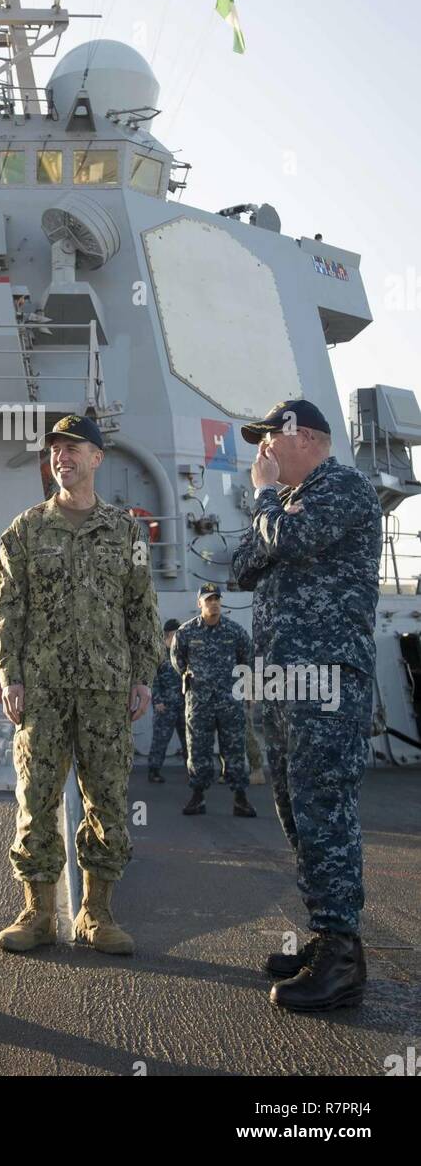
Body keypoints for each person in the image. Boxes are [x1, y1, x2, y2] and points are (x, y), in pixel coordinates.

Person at [0, 414, 163, 956]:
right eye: (55, 450)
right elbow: (5, 609)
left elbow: (141, 606)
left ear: (96, 458)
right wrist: (9, 676)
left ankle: (97, 912)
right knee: (35, 800)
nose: (61, 456)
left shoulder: (127, 532)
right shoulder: (23, 531)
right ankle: (37, 912)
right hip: (41, 690)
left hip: (108, 690)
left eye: (73, 448)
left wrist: (143, 676)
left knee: (108, 800)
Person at [231, 398, 382, 1013]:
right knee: (296, 808)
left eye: (269, 438)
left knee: (324, 807)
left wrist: (266, 498)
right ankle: (325, 936)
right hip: (282, 681)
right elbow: (242, 565)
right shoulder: (290, 503)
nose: (261, 452)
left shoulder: (342, 487)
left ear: (306, 437)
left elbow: (286, 544)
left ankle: (341, 956)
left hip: (326, 679)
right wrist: (272, 512)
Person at [171, 585, 257, 817]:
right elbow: (176, 659)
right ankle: (198, 796)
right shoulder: (186, 632)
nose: (214, 603)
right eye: (208, 600)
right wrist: (189, 679)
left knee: (235, 749)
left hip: (230, 701)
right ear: (200, 603)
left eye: (217, 599)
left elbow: (247, 659)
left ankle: (240, 798)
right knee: (198, 749)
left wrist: (249, 691)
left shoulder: (235, 631)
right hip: (199, 703)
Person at [147, 619, 187, 782]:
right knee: (160, 740)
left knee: (188, 741)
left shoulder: (184, 653)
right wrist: (157, 701)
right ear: (169, 634)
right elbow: (153, 680)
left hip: (184, 705)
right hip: (165, 706)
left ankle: (193, 771)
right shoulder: (159, 654)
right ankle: (154, 771)